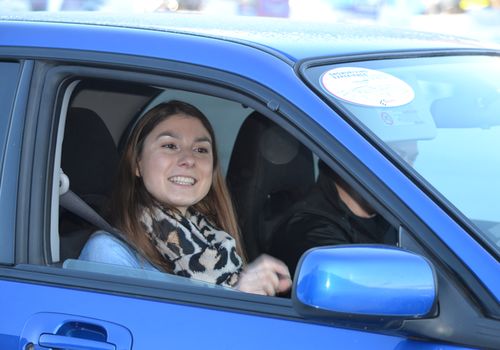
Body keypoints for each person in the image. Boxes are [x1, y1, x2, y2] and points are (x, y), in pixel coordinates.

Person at [79, 100, 291, 296]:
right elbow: (142, 335)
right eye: (170, 146)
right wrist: (239, 298)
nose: (189, 159)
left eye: (200, 149)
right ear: (137, 163)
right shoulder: (109, 253)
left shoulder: (218, 243)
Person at [269, 160, 397, 278]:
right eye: (388, 160)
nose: (398, 173)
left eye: (411, 158)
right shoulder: (310, 229)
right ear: (347, 163)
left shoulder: (396, 214)